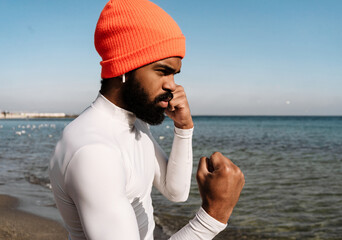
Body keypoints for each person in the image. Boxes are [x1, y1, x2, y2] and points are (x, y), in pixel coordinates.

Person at [49, 0, 245, 239]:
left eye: (175, 74)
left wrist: (184, 128)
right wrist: (214, 215)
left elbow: (175, 191)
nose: (172, 86)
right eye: (163, 71)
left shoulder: (132, 124)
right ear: (124, 67)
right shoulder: (94, 153)